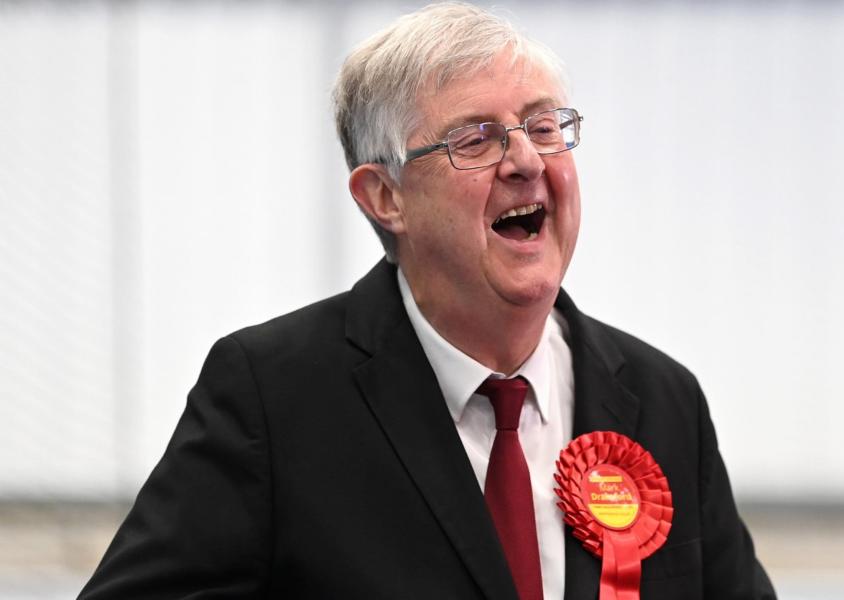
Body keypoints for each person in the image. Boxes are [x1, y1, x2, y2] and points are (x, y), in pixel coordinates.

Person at [80, 2, 775, 599]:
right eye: (475, 138)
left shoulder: (661, 398)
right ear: (385, 198)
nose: (527, 161)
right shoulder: (272, 395)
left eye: (541, 127)